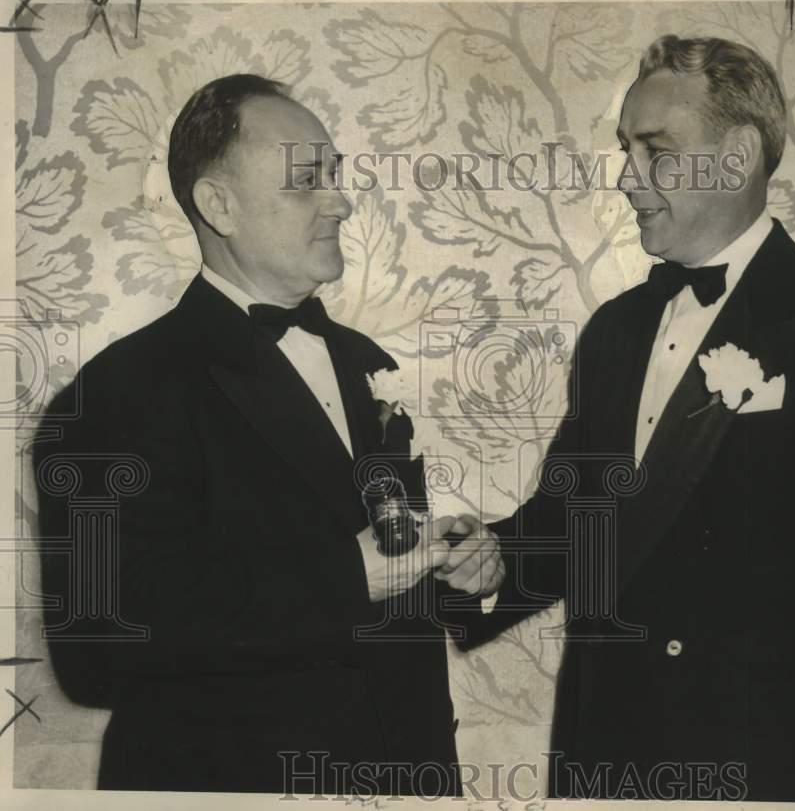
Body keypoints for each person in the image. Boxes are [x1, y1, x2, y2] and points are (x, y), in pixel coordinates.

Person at [466, 35, 795, 803]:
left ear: (740, 153)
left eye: (655, 150)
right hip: (604, 758)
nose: (627, 178)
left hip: (757, 772)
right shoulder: (616, 329)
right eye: (626, 150)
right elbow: (576, 522)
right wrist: (483, 561)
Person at [33, 73, 503, 795]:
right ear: (218, 205)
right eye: (306, 181)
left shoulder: (363, 361)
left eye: (336, 177)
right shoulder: (114, 394)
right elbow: (95, 646)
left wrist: (450, 565)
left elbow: (372, 552)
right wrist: (345, 577)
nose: (342, 201)